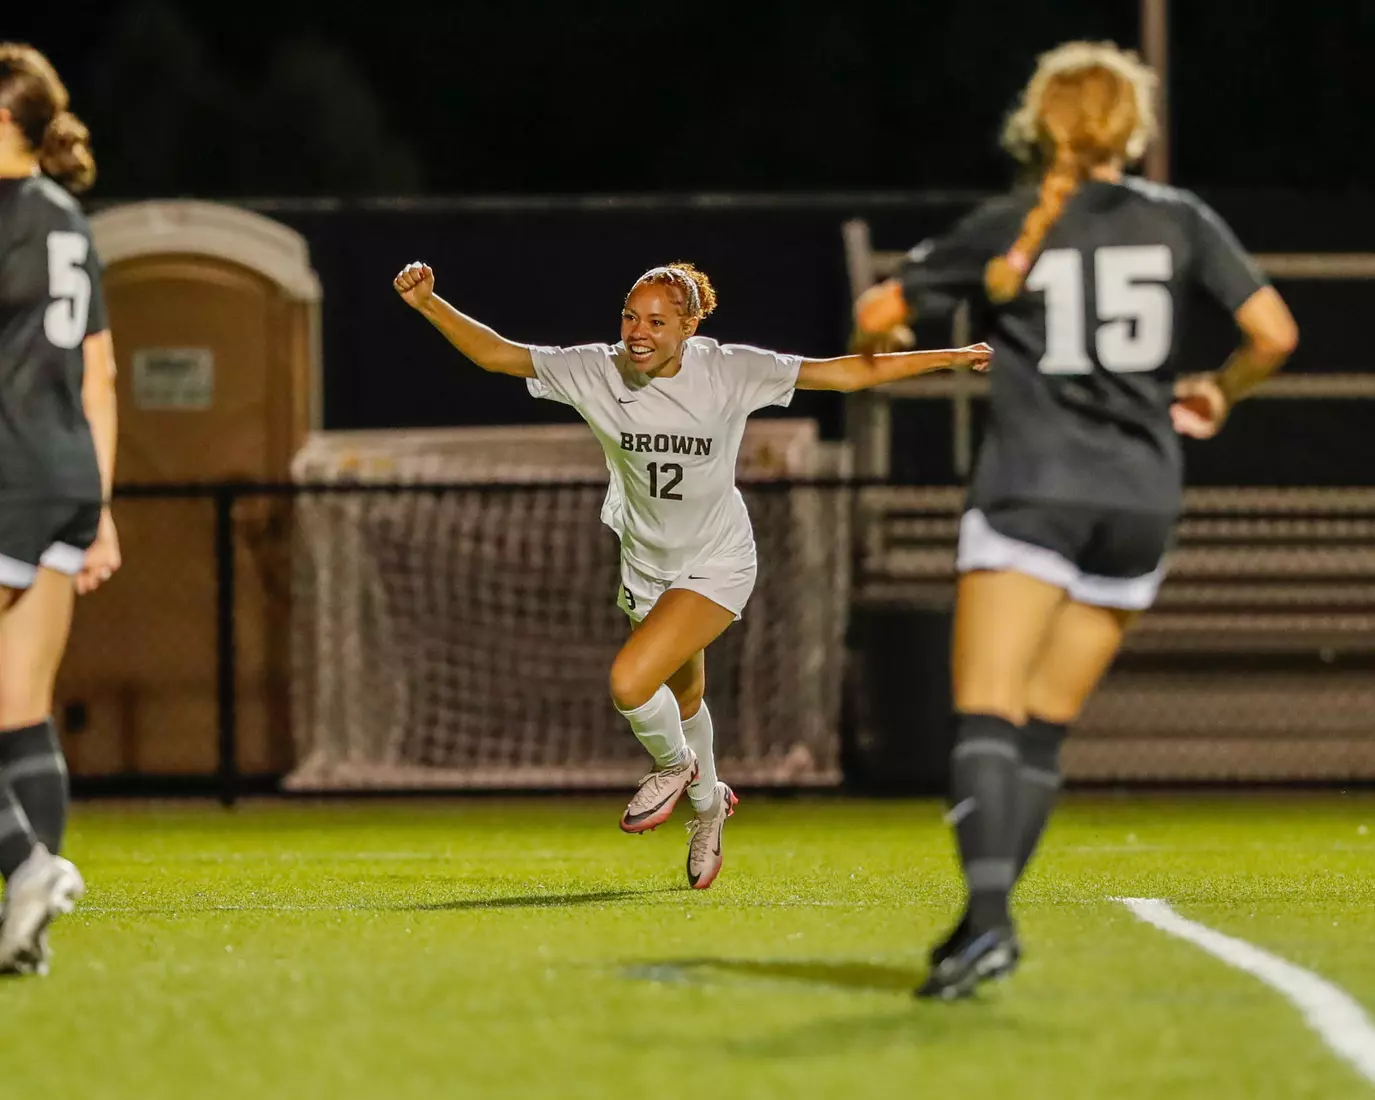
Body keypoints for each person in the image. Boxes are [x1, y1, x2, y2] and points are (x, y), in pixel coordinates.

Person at [854, 40, 1298, 999]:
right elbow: (1273, 335)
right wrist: (1220, 393)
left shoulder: (1009, 222)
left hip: (1029, 489)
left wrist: (879, 329)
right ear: (1131, 132)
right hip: (1140, 501)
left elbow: (881, 304)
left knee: (985, 710)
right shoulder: (1179, 219)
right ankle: (982, 924)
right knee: (1043, 730)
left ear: (1038, 124)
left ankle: (988, 920)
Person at [396, 259, 990, 888]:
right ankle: (710, 808)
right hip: (646, 566)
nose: (638, 332)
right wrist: (430, 304)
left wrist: (948, 357)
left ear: (689, 325)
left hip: (717, 562)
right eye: (630, 316)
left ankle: (677, 768)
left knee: (629, 683)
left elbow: (841, 374)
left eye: (657, 320)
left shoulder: (729, 370)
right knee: (682, 699)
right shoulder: (598, 370)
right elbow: (498, 356)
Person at [0, 43, 121, 975]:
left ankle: (27, 865)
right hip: (66, 474)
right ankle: (25, 935)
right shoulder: (69, 218)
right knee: (19, 708)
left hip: (5, 474)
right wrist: (103, 507)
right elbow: (101, 374)